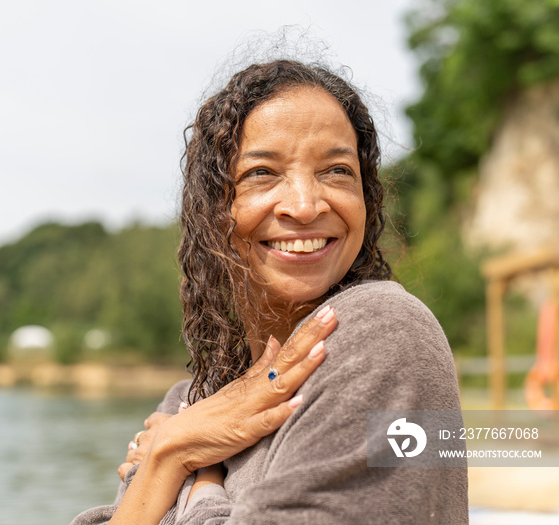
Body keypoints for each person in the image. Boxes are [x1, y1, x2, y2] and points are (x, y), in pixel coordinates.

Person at [71, 59, 468, 524]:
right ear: (212, 210)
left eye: (337, 171)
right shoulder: (189, 402)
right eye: (262, 173)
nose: (304, 206)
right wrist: (169, 455)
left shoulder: (383, 333)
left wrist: (199, 478)